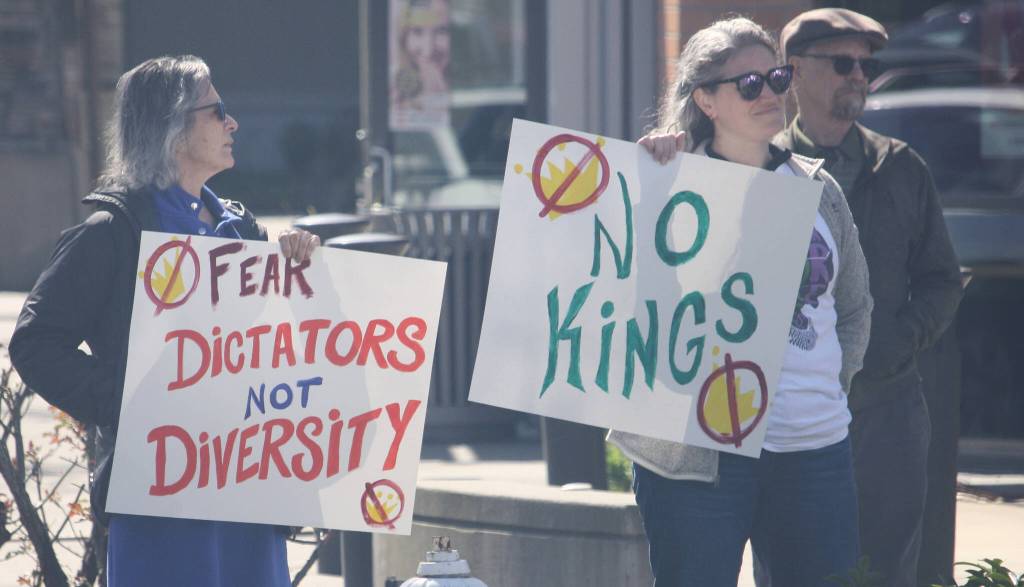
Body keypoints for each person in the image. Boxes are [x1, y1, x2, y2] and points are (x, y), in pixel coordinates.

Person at [10, 55, 320, 586]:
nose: (233, 123)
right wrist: (126, 400)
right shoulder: (112, 231)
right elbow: (36, 342)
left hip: (249, 493)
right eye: (216, 111)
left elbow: (283, 345)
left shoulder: (241, 231)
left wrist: (302, 267)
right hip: (163, 500)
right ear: (173, 128)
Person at [607, 16, 873, 586]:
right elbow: (632, 304)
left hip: (816, 452)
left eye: (776, 77)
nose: (771, 93)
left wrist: (828, 383)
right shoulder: (669, 183)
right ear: (706, 99)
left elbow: (854, 307)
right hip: (699, 456)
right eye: (749, 85)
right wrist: (650, 181)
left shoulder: (818, 189)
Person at [777, 10, 963, 586]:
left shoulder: (902, 166)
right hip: (791, 418)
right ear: (795, 73)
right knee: (791, 569)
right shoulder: (765, 170)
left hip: (888, 412)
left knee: (888, 572)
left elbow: (942, 279)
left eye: (866, 64)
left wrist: (896, 341)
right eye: (842, 63)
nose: (858, 75)